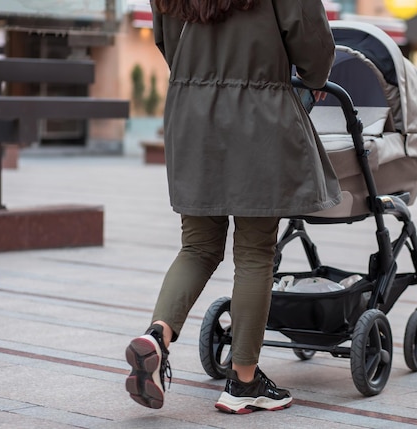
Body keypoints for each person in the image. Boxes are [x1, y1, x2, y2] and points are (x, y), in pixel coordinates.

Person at [125, 0, 341, 414]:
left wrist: (199, 77)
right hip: (259, 113)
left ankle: (157, 335)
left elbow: (166, 41)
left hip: (191, 113)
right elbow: (311, 37)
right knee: (255, 252)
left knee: (198, 246)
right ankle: (244, 381)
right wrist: (314, 77)